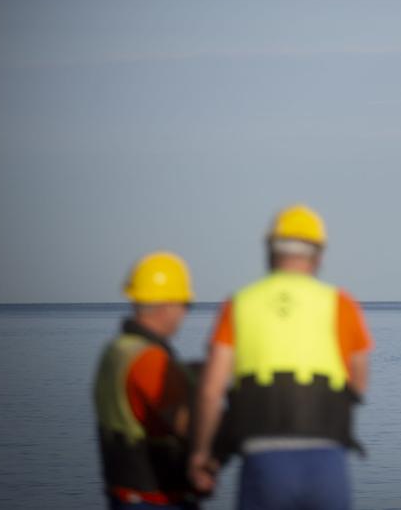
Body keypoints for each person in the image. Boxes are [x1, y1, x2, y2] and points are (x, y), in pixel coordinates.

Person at [190, 205, 373, 510]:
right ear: (318, 255)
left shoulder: (239, 305)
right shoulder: (341, 304)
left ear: (270, 250)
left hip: (263, 461)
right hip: (326, 461)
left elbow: (210, 392)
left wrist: (201, 453)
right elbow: (358, 382)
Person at [94, 252, 197, 509]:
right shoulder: (150, 362)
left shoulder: (116, 351)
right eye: (185, 305)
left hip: (122, 495)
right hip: (157, 500)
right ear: (166, 306)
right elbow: (188, 425)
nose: (184, 314)